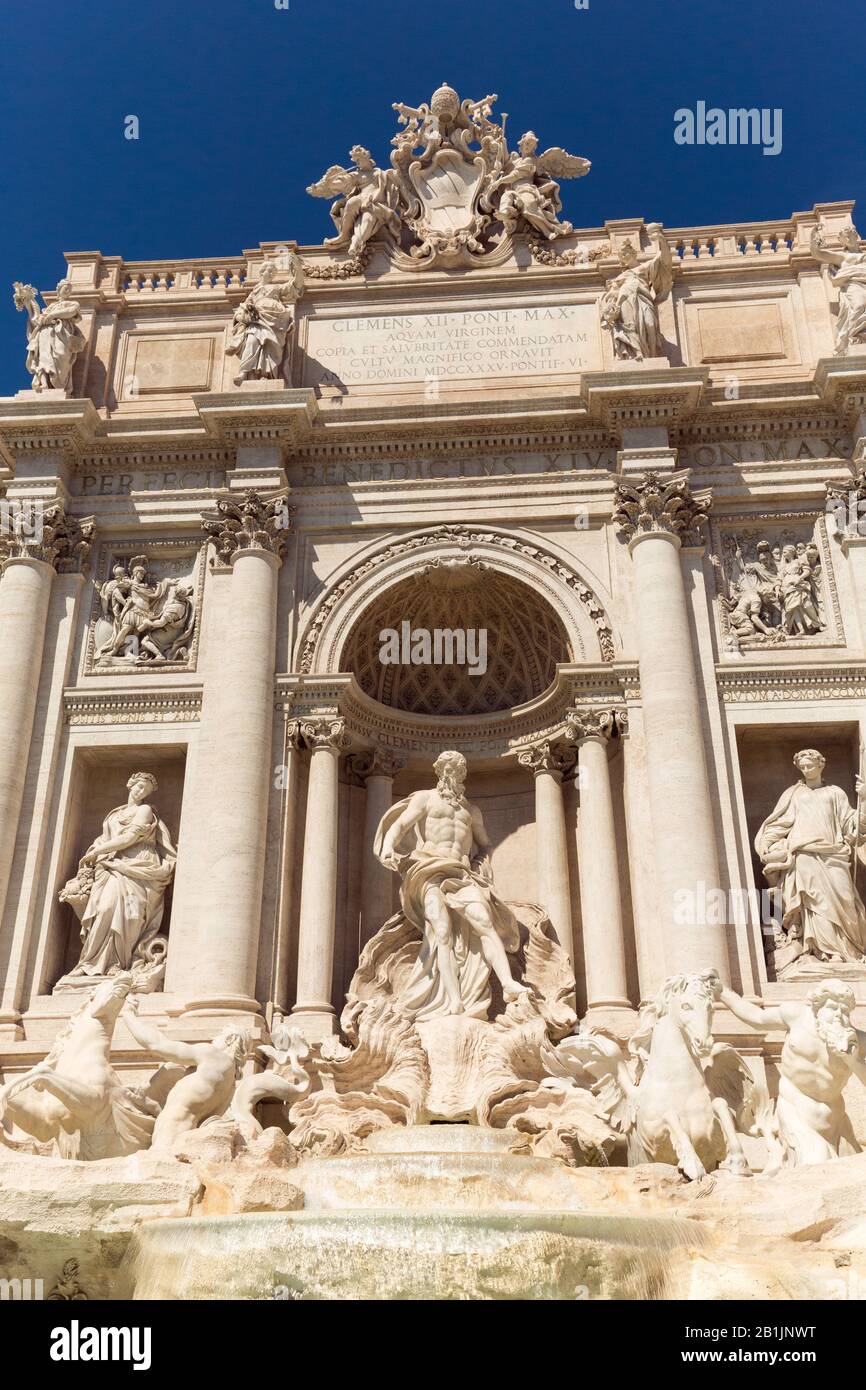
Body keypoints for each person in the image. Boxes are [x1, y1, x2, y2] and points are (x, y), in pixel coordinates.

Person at [375, 750, 530, 1020]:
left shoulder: (471, 812)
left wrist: (482, 862)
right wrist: (388, 847)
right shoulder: (425, 799)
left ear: (463, 775)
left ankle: (508, 985)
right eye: (448, 769)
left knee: (485, 922)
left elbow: (485, 844)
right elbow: (400, 826)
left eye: (457, 770)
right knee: (442, 931)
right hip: (429, 871)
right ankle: (454, 1001)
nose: (452, 774)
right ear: (439, 772)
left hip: (461, 874)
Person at [712, 974, 866, 1165]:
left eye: (844, 1011)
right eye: (833, 1008)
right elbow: (756, 1018)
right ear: (817, 1006)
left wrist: (852, 1060)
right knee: (817, 1165)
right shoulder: (796, 1016)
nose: (838, 1016)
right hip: (797, 1109)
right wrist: (723, 993)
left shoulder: (858, 1040)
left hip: (836, 1119)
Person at [756, 749, 866, 963]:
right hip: (804, 854)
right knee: (814, 903)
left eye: (810, 766)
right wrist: (767, 844)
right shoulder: (794, 794)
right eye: (803, 767)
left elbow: (853, 826)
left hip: (834, 854)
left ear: (820, 765)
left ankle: (849, 952)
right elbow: (779, 823)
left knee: (845, 901)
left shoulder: (835, 793)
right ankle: (824, 952)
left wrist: (864, 798)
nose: (806, 770)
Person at [122, 997, 249, 1152]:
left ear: (230, 1039)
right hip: (183, 1140)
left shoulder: (213, 1055)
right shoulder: (230, 1085)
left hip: (169, 1138)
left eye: (216, 1038)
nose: (212, 1041)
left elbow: (157, 1044)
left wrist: (128, 1015)